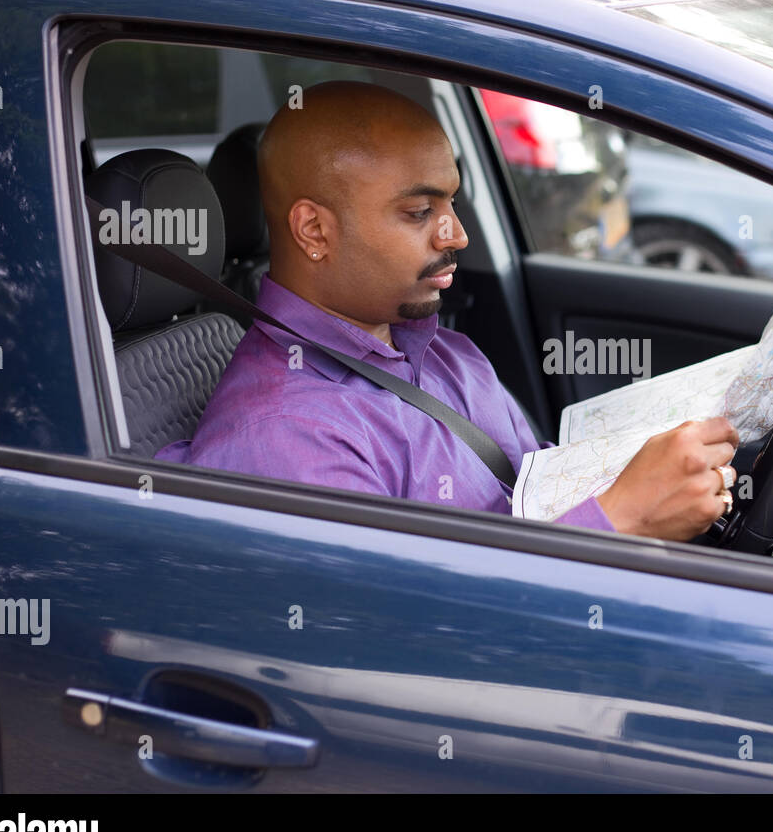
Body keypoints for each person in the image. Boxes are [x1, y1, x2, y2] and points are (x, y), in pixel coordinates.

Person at [158, 81, 738, 541]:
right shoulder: (286, 438)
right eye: (418, 212)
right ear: (314, 229)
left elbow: (538, 499)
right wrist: (623, 518)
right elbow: (403, 652)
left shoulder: (446, 353)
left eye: (452, 201)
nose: (457, 234)